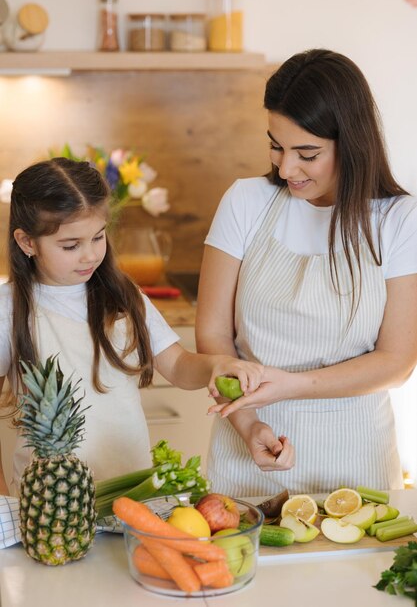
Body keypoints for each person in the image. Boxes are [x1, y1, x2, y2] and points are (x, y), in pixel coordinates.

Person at [196, 48, 417, 497]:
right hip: (245, 457)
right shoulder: (245, 201)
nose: (285, 167)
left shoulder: (399, 220)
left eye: (307, 153)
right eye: (276, 145)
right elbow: (214, 336)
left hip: (356, 462)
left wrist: (290, 386)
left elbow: (397, 362)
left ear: (351, 143)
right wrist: (249, 422)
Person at [0, 157, 264, 496]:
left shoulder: (123, 295)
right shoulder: (9, 309)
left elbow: (180, 367)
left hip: (132, 494)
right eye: (70, 245)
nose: (89, 256)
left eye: (98, 237)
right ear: (26, 242)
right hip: (48, 504)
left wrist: (217, 364)